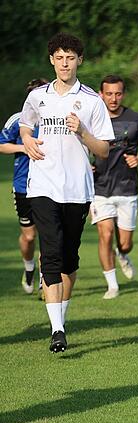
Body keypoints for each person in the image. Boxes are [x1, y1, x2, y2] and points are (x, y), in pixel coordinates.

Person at [20, 33, 114, 352]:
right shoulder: (37, 97)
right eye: (59, 57)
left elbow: (103, 150)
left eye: (70, 57)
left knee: (69, 259)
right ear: (51, 60)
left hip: (77, 189)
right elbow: (25, 124)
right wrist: (27, 140)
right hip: (42, 185)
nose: (64, 63)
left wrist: (84, 132)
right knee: (51, 252)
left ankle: (61, 316)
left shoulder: (91, 100)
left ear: (79, 61)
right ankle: (57, 330)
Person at [92, 75, 138, 299]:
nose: (113, 98)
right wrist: (86, 166)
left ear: (123, 94)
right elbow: (79, 144)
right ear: (101, 94)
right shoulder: (93, 119)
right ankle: (112, 285)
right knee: (105, 234)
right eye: (108, 94)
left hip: (127, 187)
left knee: (126, 243)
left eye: (118, 93)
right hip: (99, 188)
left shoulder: (136, 119)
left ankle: (123, 254)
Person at [0, 78, 49, 295]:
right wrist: (23, 148)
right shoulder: (17, 120)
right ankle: (29, 268)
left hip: (49, 185)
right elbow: (1, 145)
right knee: (29, 236)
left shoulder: (53, 120)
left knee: (47, 233)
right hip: (22, 186)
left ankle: (44, 279)